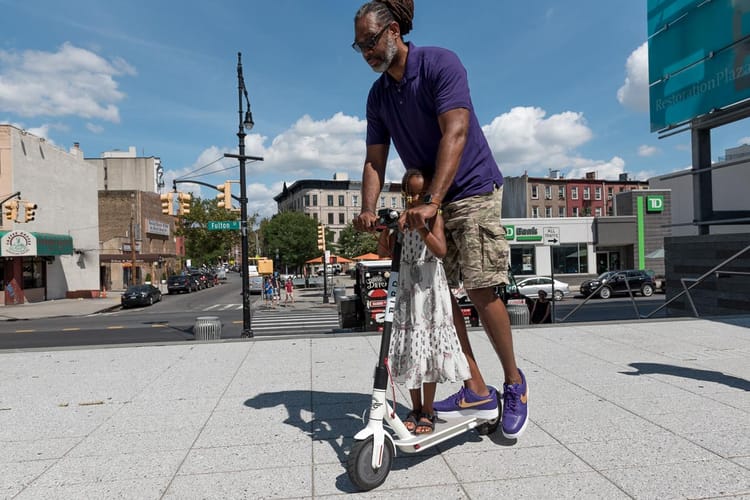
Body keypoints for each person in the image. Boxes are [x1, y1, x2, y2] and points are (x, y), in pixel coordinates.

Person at [352, 0, 528, 439]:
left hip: (469, 188)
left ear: (393, 31)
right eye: (358, 47)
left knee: (481, 287)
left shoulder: (439, 64)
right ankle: (475, 387)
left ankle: (514, 384)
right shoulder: (378, 96)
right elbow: (375, 161)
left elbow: (457, 131)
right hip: (429, 200)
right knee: (444, 299)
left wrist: (432, 199)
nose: (366, 53)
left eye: (370, 42)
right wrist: (368, 210)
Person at [377, 169, 470, 434]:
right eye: (410, 192)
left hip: (429, 287)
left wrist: (422, 228)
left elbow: (441, 251)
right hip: (407, 287)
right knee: (409, 347)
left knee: (428, 348)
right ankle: (414, 407)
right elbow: (383, 251)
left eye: (420, 192)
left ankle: (428, 410)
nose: (415, 197)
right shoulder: (401, 219)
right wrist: (386, 229)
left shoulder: (433, 217)